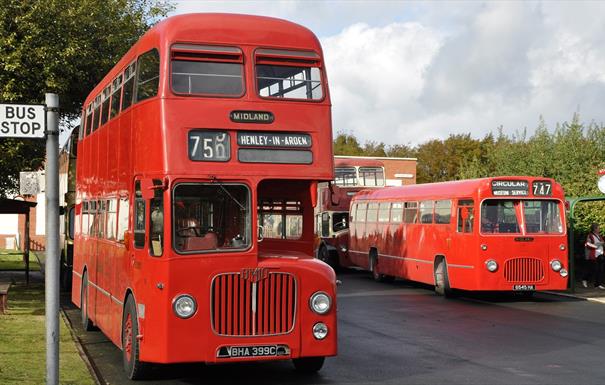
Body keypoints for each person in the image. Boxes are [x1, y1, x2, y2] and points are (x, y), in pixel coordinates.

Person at [583, 222, 605, 289]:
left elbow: (602, 243)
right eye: (598, 228)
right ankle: (585, 279)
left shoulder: (599, 235)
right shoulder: (590, 235)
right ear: (594, 229)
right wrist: (596, 246)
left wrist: (602, 243)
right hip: (593, 255)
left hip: (600, 254)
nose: (599, 229)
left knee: (600, 270)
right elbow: (588, 244)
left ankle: (597, 284)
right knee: (592, 269)